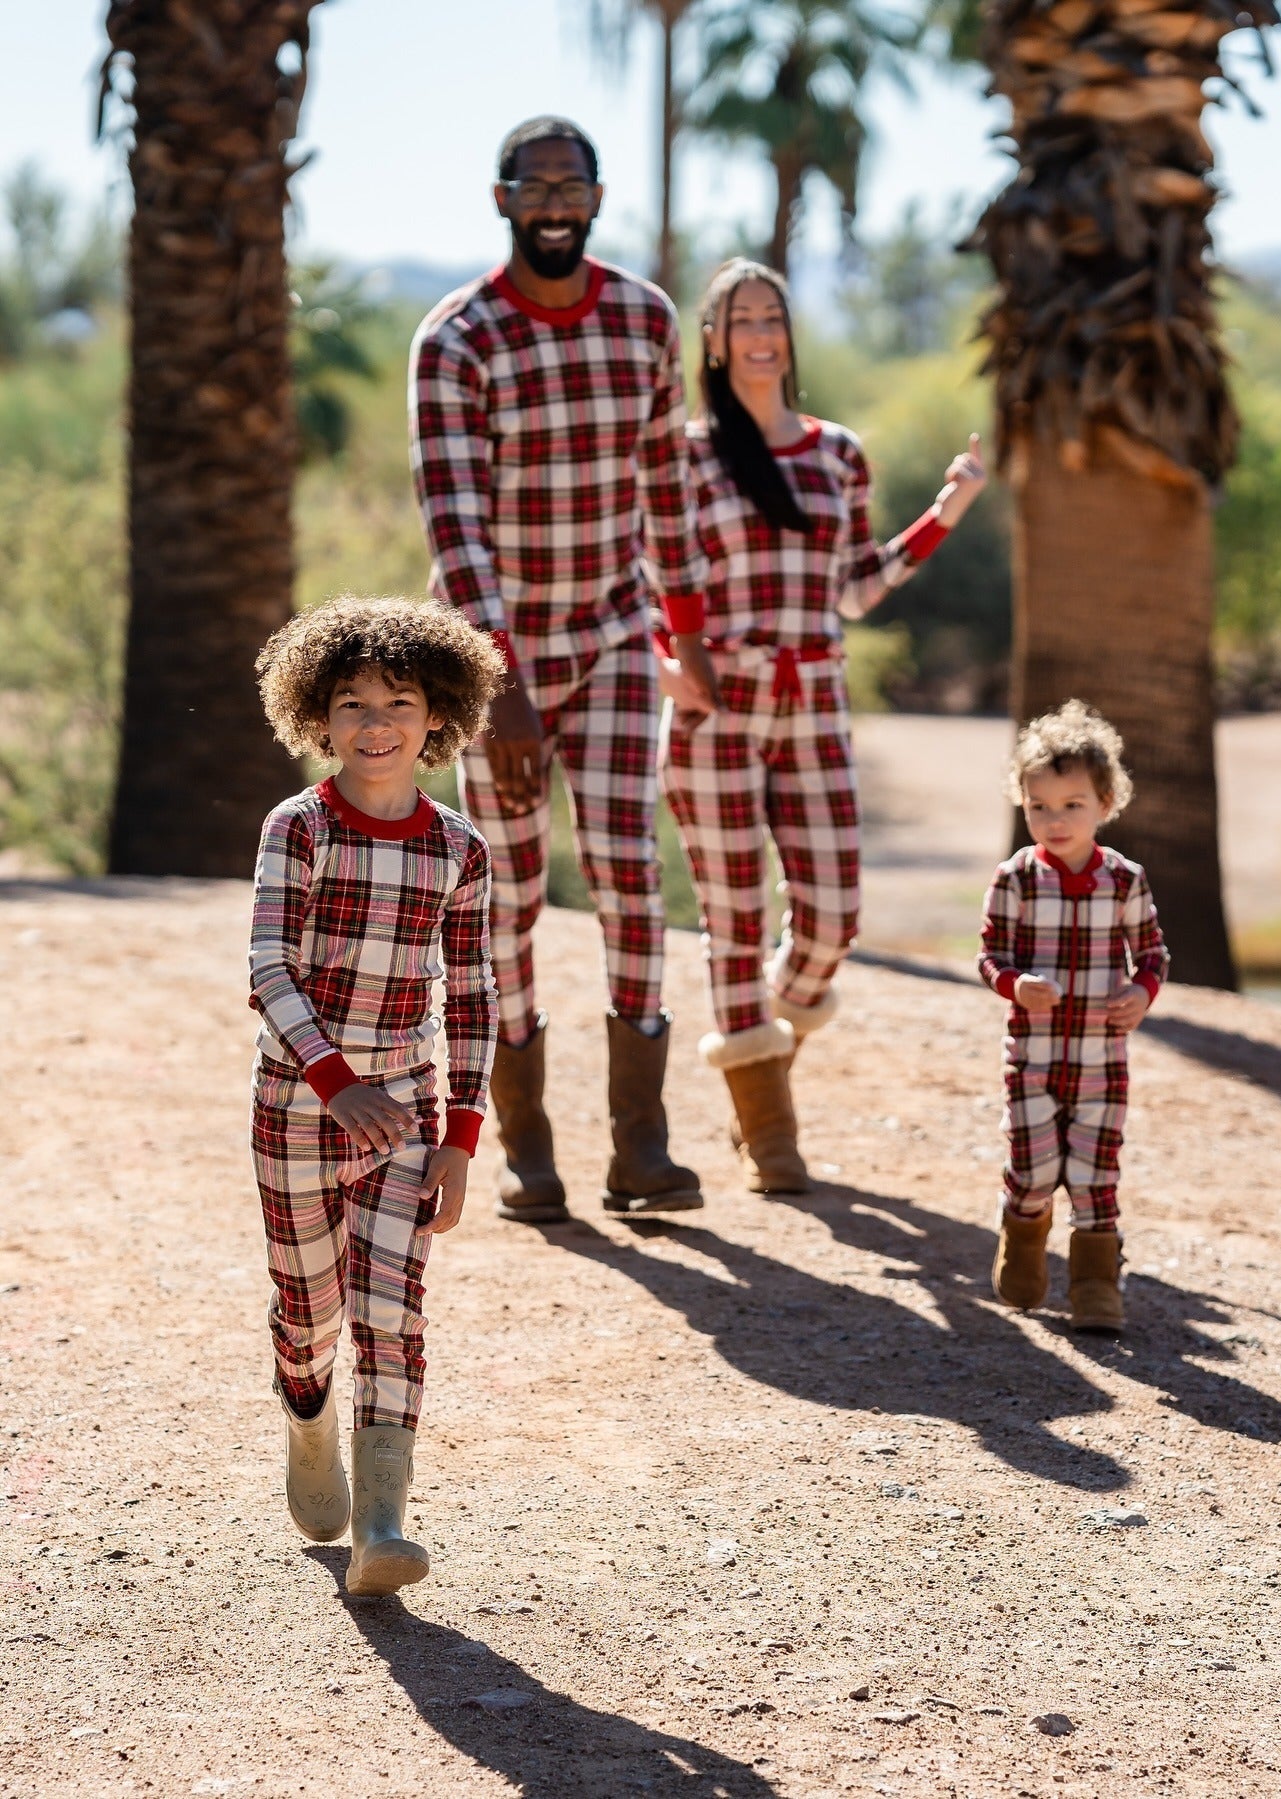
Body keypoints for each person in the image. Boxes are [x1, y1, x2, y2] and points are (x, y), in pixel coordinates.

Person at [409, 116, 718, 1225]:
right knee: (510, 897)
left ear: (596, 198)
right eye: (532, 185)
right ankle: (525, 1144)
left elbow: (667, 489)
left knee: (631, 866)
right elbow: (457, 533)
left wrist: (685, 626)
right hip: (499, 662)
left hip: (619, 634)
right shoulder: (458, 340)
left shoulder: (644, 319)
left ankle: (642, 1144)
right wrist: (500, 691)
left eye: (568, 184)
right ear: (501, 202)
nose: (552, 201)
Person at [659, 257, 987, 1193]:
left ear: (789, 335)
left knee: (834, 918)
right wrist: (663, 664)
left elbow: (854, 588)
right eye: (740, 319)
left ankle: (761, 1054)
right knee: (732, 916)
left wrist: (947, 510)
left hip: (815, 705)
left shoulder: (838, 452)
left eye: (773, 316)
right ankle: (771, 1138)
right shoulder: (683, 455)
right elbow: (642, 579)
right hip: (716, 707)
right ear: (713, 343)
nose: (760, 333)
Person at [249, 596, 502, 1597]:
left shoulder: (460, 851)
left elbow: (475, 998)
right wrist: (335, 1082)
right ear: (317, 715)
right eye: (352, 703)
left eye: (400, 701)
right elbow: (269, 969)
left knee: (392, 1310)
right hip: (298, 1107)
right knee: (309, 1307)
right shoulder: (297, 827)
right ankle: (308, 1420)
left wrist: (461, 1137)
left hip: (404, 1116)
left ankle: (385, 1520)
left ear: (440, 716)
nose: (377, 722)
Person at [977, 701, 1169, 1333]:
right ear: (1022, 803)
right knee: (1032, 1171)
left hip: (1100, 1060)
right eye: (1039, 807)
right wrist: (1014, 983)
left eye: (1071, 805)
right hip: (1031, 1057)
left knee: (1094, 1173)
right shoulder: (1016, 880)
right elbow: (989, 956)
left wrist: (1142, 992)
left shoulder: (1125, 881)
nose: (1054, 821)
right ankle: (1024, 1237)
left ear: (1106, 804)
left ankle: (1094, 1284)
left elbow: (1152, 955)